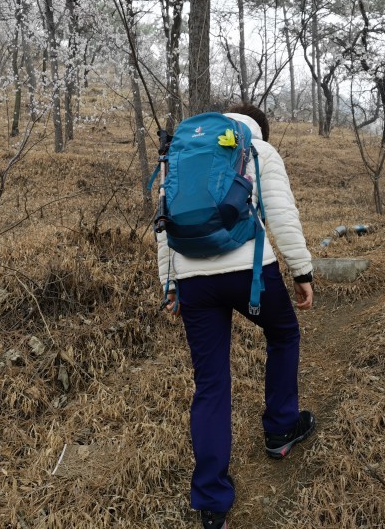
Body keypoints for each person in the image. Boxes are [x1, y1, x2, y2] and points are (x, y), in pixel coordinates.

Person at [156, 103, 316, 529]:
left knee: (210, 383)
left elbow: (164, 223)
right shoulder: (259, 149)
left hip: (193, 277)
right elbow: (282, 215)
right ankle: (281, 428)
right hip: (249, 273)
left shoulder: (186, 151)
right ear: (259, 129)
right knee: (283, 334)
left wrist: (169, 283)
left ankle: (211, 502)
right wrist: (302, 271)